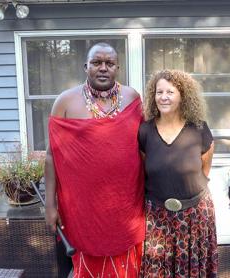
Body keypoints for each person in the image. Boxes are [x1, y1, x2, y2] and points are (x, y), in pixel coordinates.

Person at [45, 42, 145, 278]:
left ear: (117, 67)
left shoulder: (132, 98)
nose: (103, 68)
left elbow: (143, 147)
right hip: (83, 208)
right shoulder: (65, 102)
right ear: (85, 67)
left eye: (109, 63)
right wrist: (50, 205)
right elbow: (51, 156)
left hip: (126, 204)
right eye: (96, 63)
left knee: (128, 264)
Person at [138, 69, 218, 277]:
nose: (163, 97)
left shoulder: (198, 128)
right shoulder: (144, 130)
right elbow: (146, 167)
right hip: (157, 216)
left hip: (194, 215)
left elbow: (205, 165)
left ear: (183, 95)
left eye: (170, 92)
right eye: (159, 92)